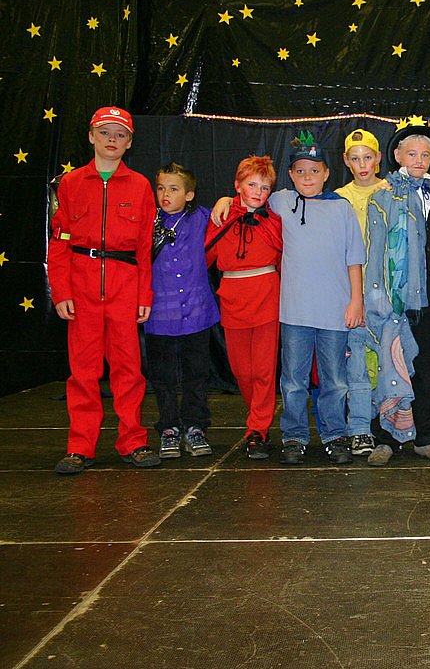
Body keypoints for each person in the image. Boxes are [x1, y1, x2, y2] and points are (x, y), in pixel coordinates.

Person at [51, 106, 160, 474]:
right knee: (83, 371)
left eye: (120, 134)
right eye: (105, 132)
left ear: (129, 143)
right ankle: (80, 446)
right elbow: (60, 241)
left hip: (123, 286)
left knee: (128, 369)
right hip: (81, 287)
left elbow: (144, 247)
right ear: (91, 136)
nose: (112, 140)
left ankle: (134, 441)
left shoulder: (140, 185)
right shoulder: (71, 184)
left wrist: (144, 295)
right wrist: (61, 290)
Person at [273, 132, 365, 465]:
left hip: (334, 311)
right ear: (290, 175)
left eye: (314, 171)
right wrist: (227, 200)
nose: (307, 177)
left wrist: (356, 301)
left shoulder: (342, 208)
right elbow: (249, 197)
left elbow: (354, 259)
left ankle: (334, 434)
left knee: (335, 380)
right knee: (293, 380)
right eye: (300, 171)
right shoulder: (281, 202)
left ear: (326, 173)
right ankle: (294, 436)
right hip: (295, 311)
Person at [365, 116, 430, 462]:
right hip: (395, 297)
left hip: (429, 298)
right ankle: (386, 438)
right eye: (412, 153)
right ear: (398, 156)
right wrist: (378, 298)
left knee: (425, 369)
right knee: (390, 365)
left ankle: (424, 435)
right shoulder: (383, 196)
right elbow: (375, 249)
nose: (419, 160)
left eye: (425, 154)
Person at [204, 156, 283, 460]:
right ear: (237, 185)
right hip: (233, 299)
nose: (258, 192)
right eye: (252, 185)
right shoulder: (221, 217)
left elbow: (287, 258)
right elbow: (202, 256)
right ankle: (256, 419)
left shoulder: (275, 221)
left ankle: (257, 430)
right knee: (242, 371)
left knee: (264, 370)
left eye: (264, 187)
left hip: (267, 297)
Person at [147, 163, 220, 459]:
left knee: (196, 374)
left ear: (189, 194)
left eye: (174, 189)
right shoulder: (148, 221)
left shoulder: (202, 219)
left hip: (196, 312)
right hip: (159, 315)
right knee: (163, 377)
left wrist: (226, 200)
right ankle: (168, 428)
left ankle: (195, 426)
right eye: (161, 188)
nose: (165, 194)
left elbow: (230, 213)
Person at [334, 128, 388, 459]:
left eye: (368, 157)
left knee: (388, 365)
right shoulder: (337, 198)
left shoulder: (392, 191)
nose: (362, 164)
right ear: (346, 161)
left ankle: (388, 426)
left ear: (378, 158)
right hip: (352, 295)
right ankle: (358, 428)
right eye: (355, 159)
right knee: (356, 366)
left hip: (388, 296)